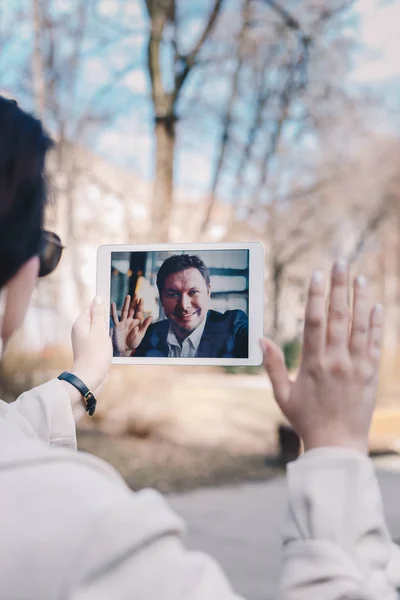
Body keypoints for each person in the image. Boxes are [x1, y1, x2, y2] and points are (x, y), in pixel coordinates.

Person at [1, 95, 400, 600]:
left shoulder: (231, 327)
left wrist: (80, 380)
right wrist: (336, 448)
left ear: (209, 296)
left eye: (194, 292)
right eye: (45, 246)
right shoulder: (92, 532)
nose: (184, 303)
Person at [111, 254, 249, 358]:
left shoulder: (234, 325)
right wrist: (124, 352)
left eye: (193, 292)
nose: (184, 305)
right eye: (173, 294)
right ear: (161, 298)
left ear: (208, 292)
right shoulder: (144, 337)